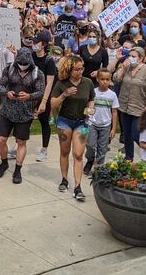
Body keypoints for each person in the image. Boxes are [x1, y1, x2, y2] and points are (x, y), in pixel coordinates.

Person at [0, 48, 44, 184]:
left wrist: (29, 96)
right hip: (7, 111)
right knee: (1, 139)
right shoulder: (9, 69)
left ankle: (17, 170)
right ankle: (4, 163)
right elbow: (0, 86)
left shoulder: (37, 73)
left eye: (25, 63)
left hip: (25, 113)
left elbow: (40, 92)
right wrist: (7, 92)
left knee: (21, 142)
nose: (23, 65)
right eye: (20, 62)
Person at [50, 55, 95, 200]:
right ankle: (64, 179)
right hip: (65, 122)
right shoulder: (61, 83)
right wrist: (64, 95)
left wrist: (90, 109)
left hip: (82, 123)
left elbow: (91, 99)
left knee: (78, 154)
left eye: (82, 69)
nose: (80, 72)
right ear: (69, 70)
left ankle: (78, 187)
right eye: (77, 69)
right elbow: (53, 104)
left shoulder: (87, 83)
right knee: (64, 152)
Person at [113, 46, 146, 161]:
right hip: (124, 107)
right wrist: (122, 68)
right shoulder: (126, 68)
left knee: (135, 135)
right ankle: (129, 158)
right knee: (127, 135)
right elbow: (116, 79)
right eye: (130, 56)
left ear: (141, 58)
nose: (130, 58)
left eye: (133, 56)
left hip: (139, 109)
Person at [83, 68, 119, 173]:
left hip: (105, 125)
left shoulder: (112, 95)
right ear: (97, 79)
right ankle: (90, 160)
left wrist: (113, 128)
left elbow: (114, 112)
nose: (105, 81)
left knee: (102, 149)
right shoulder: (93, 92)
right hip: (92, 124)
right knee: (90, 145)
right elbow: (88, 107)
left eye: (107, 79)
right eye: (102, 79)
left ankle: (99, 166)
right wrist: (86, 117)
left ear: (110, 80)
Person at [31, 31, 57, 162]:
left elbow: (50, 82)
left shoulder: (49, 61)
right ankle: (18, 144)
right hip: (30, 95)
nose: (34, 43)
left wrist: (44, 102)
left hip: (43, 96)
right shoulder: (30, 56)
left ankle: (44, 150)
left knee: (44, 122)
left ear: (44, 44)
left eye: (37, 41)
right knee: (24, 121)